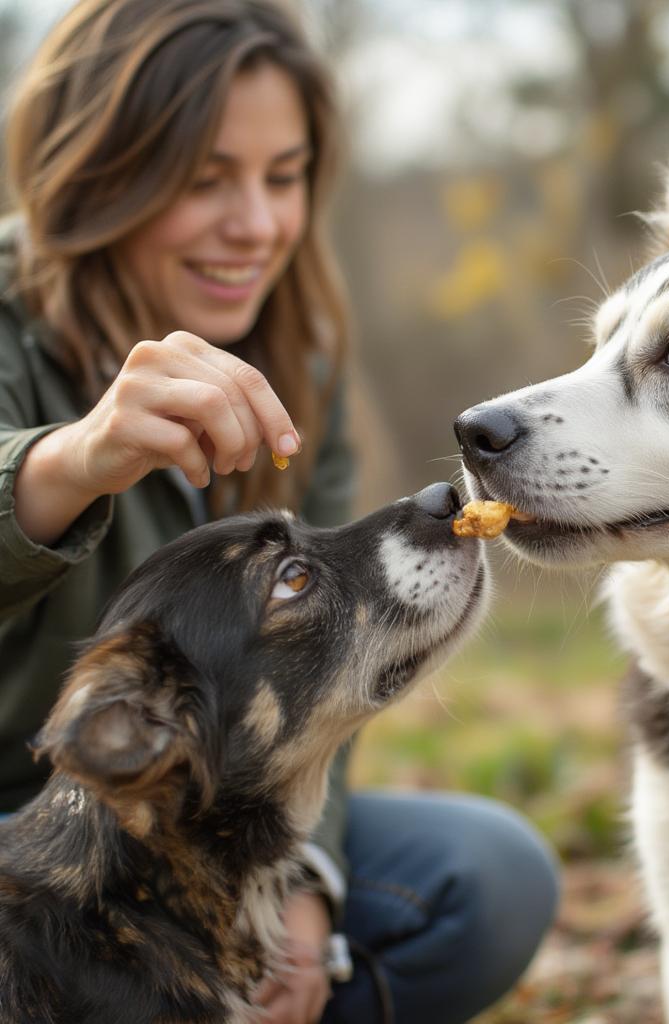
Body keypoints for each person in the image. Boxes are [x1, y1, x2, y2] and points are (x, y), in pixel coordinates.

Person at [0, 1, 560, 1022]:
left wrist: (308, 892)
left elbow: (317, 710)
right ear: (100, 171)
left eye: (283, 175)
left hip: (215, 827)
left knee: (487, 877)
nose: (255, 224)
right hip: (41, 839)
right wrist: (70, 461)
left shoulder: (299, 346)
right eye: (204, 177)